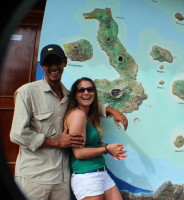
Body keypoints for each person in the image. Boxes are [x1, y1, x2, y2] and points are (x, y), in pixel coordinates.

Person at [9, 44, 128, 200]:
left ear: (64, 63)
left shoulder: (68, 96)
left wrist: (112, 110)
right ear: (43, 66)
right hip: (34, 176)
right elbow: (17, 134)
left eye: (57, 61)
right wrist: (57, 142)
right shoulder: (27, 92)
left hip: (61, 178)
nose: (54, 67)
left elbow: (87, 100)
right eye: (48, 63)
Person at [65, 77, 127, 200]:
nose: (86, 93)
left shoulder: (89, 116)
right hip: (87, 176)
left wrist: (108, 147)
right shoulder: (78, 115)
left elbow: (92, 144)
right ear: (75, 95)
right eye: (81, 90)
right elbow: (78, 153)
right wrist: (107, 149)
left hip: (101, 173)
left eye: (89, 89)